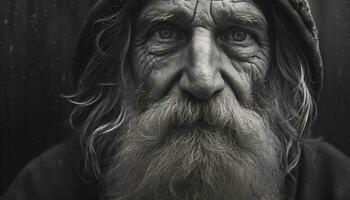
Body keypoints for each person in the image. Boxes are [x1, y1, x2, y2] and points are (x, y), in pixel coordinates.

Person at [4, 0, 350, 199]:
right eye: (165, 33)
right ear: (122, 64)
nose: (201, 79)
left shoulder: (333, 185)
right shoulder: (48, 188)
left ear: (279, 66)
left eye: (238, 35)